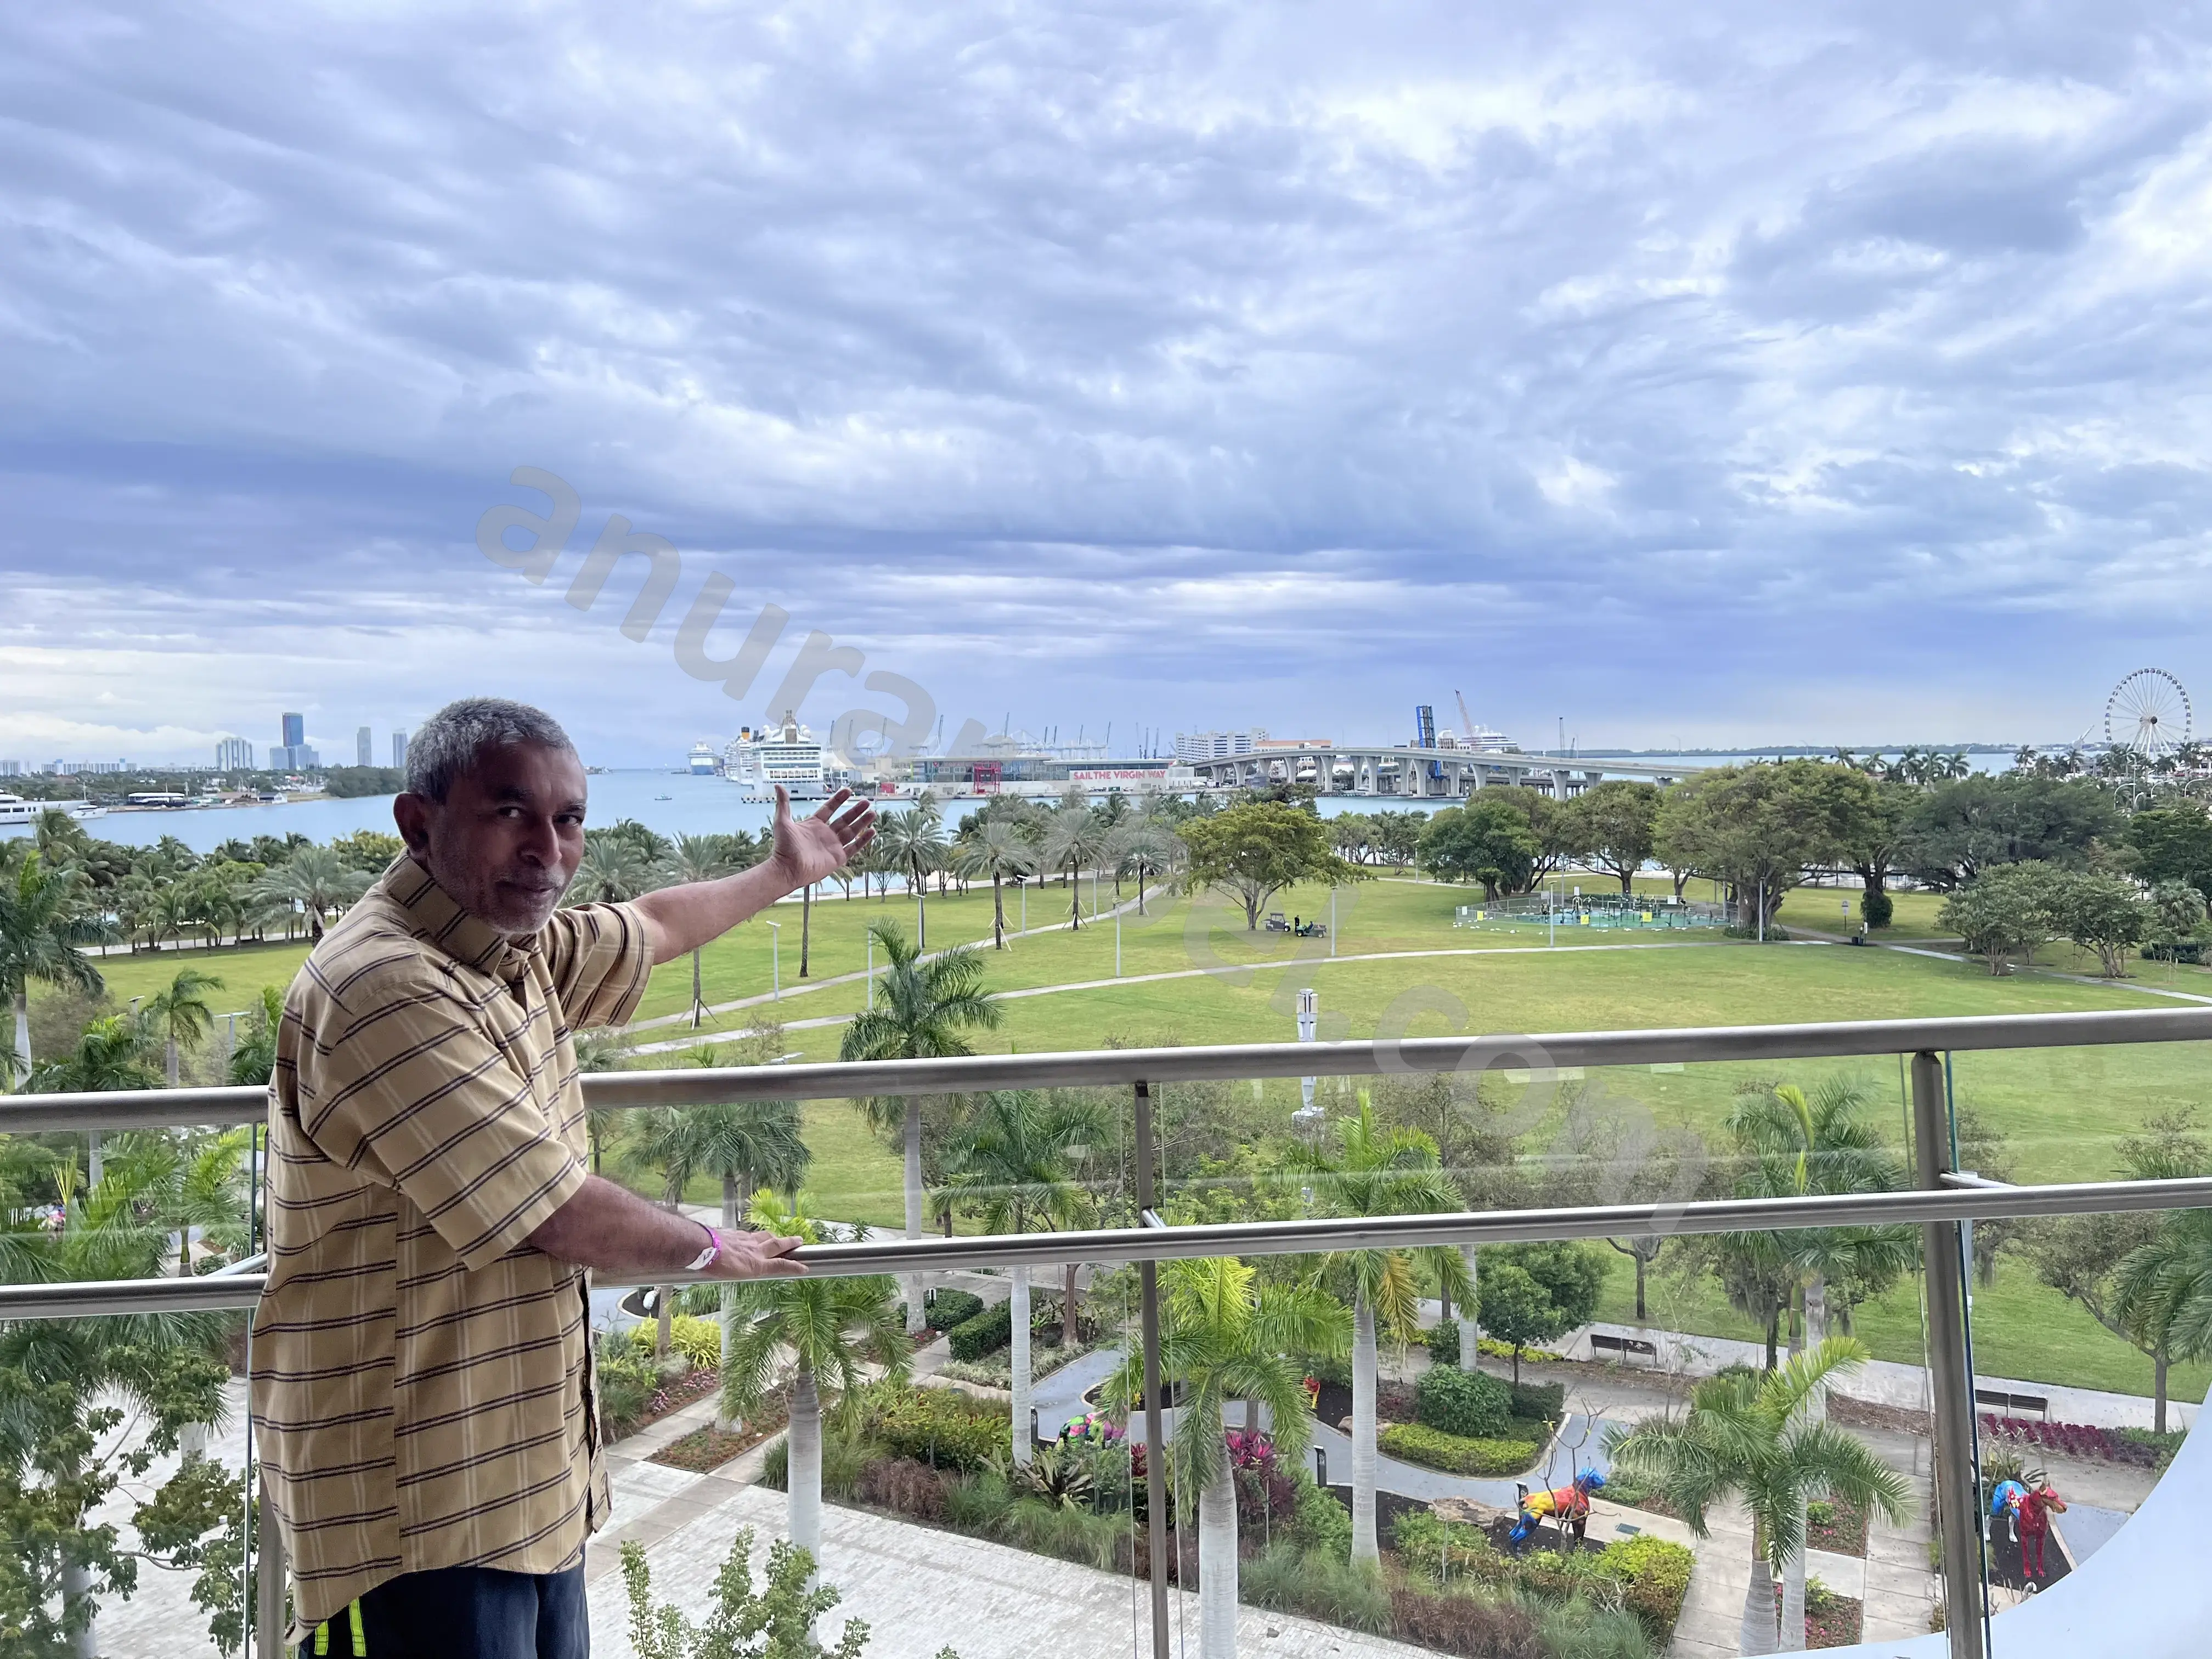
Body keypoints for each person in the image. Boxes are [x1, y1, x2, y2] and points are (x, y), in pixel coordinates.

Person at [250, 698, 873, 1659]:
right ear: (419, 824)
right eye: (511, 813)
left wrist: (784, 872)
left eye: (568, 819)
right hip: (415, 1505)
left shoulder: (508, 948)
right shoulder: (383, 986)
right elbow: (554, 1211)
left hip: (522, 1484)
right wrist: (715, 1249)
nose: (548, 850)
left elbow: (652, 925)